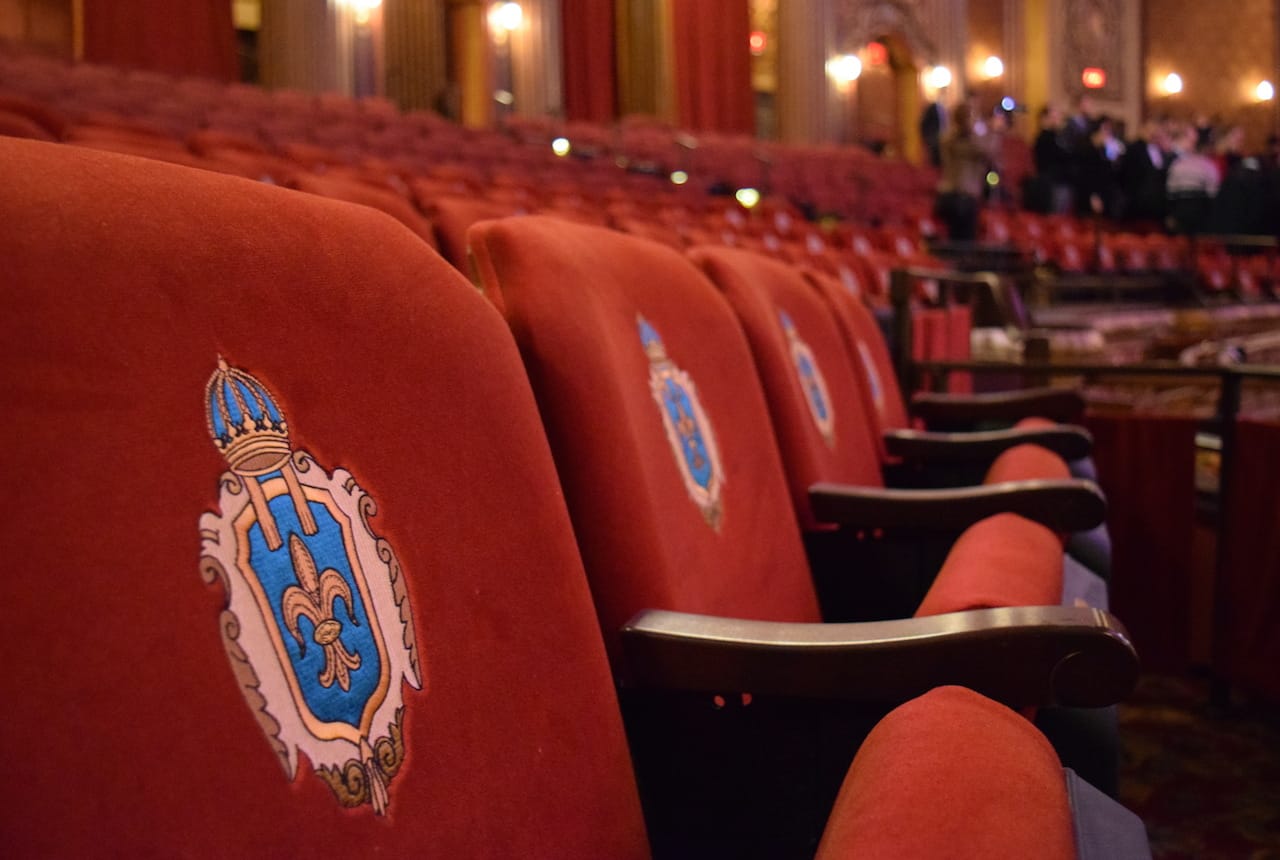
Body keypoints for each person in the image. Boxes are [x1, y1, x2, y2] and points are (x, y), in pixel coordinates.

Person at [934, 102, 993, 241]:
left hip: (952, 195)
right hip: (962, 197)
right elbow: (988, 151)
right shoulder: (966, 143)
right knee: (964, 243)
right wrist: (992, 130)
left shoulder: (948, 139)